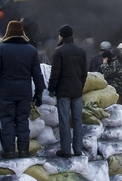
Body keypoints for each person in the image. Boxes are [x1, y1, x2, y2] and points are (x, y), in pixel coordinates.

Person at [0, 21, 45, 159]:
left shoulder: (2, 50)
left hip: (7, 93)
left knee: (7, 121)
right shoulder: (31, 50)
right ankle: (24, 150)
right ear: (22, 33)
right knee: (23, 121)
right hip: (24, 93)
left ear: (8, 32)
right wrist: (39, 93)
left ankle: (9, 151)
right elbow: (37, 74)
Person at [48, 24, 88, 158]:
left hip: (63, 92)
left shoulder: (59, 52)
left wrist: (51, 89)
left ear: (62, 35)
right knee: (77, 120)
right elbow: (84, 73)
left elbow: (55, 74)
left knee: (64, 121)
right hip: (77, 91)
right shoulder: (81, 51)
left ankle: (66, 150)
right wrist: (80, 85)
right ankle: (78, 149)